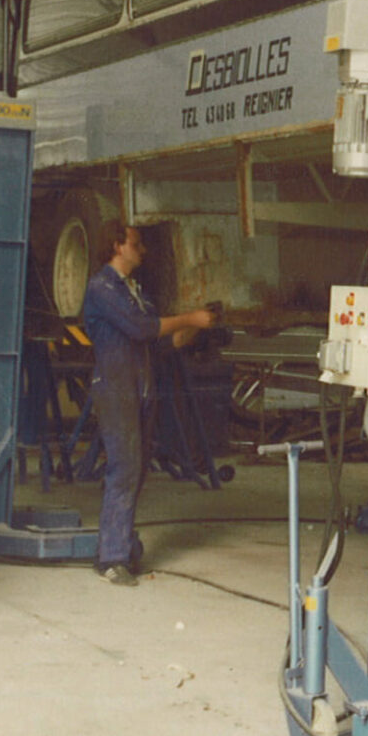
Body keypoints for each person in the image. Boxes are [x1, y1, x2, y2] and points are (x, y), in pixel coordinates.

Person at [79, 221, 214, 586]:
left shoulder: (134, 292)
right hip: (116, 388)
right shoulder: (102, 288)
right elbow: (141, 328)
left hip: (139, 387)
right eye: (136, 244)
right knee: (124, 468)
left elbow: (154, 341)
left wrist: (194, 329)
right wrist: (188, 317)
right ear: (117, 246)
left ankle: (119, 544)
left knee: (135, 470)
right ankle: (112, 558)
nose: (143, 251)